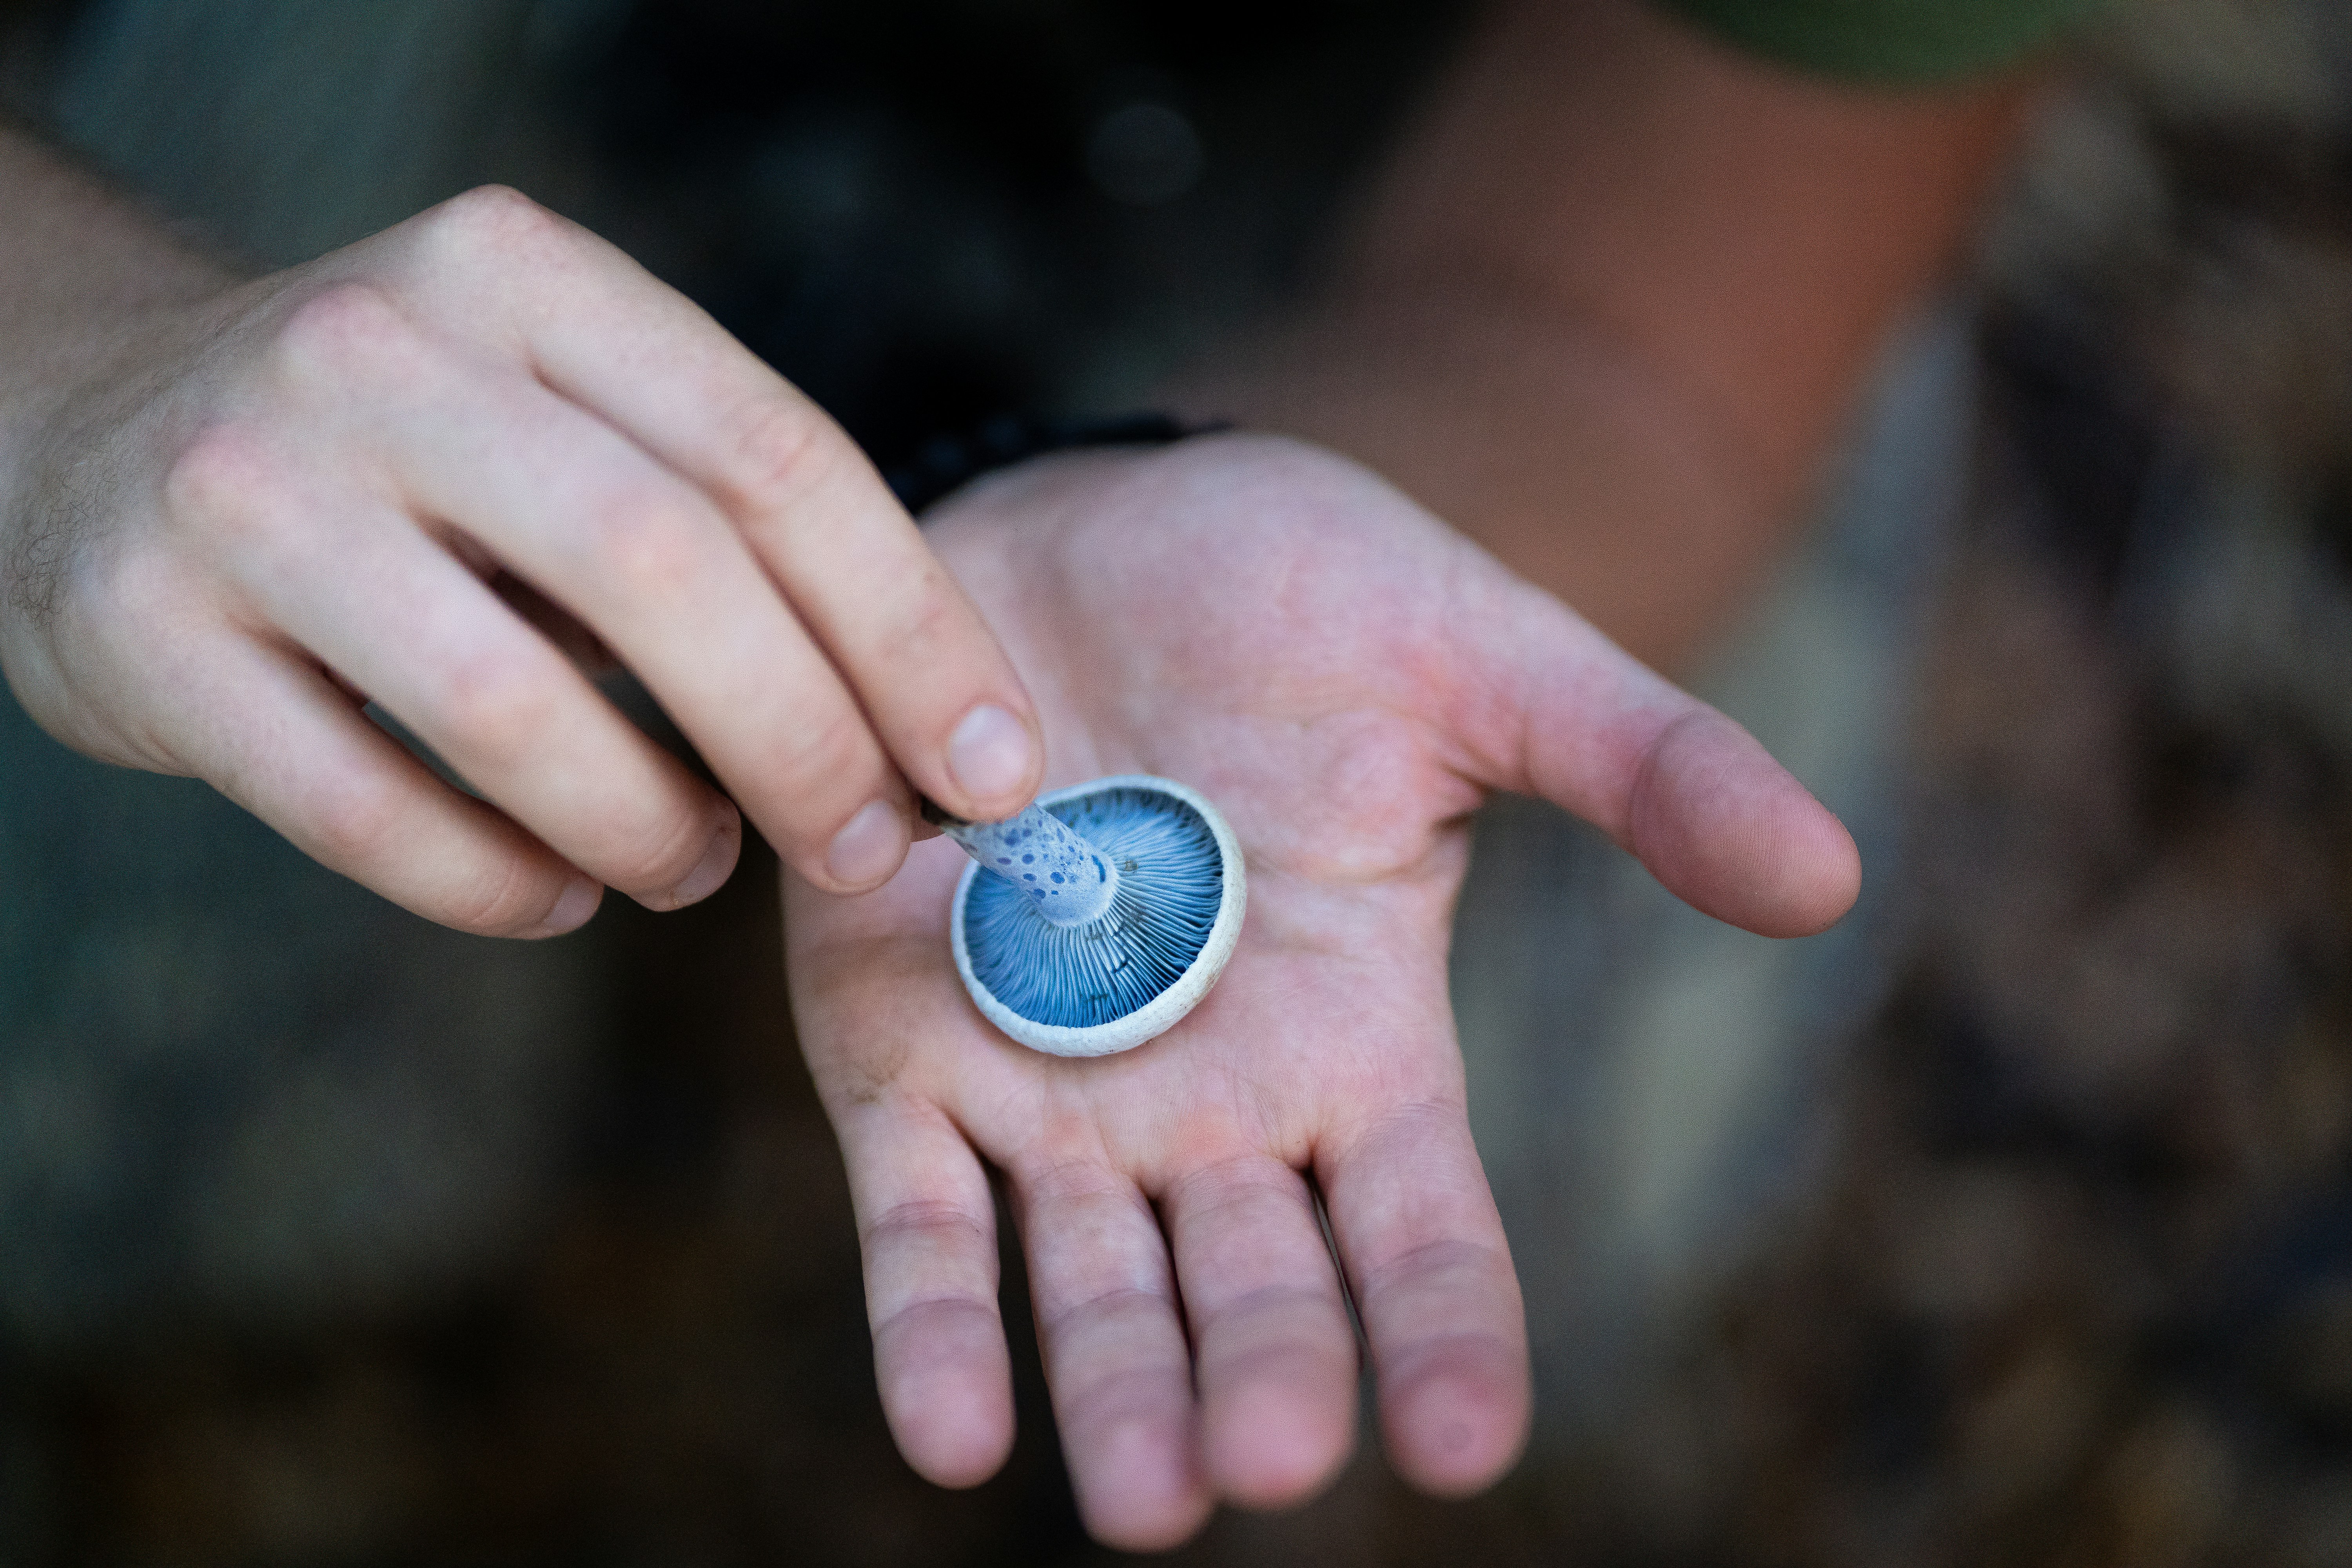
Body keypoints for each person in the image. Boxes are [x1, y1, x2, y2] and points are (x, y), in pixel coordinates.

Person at [0, 0, 2089, 1549]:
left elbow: (1618, 347)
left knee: (1542, 1200)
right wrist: (67, 369)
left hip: (1424, 150)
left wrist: (1224, 505)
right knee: (115, 1088)